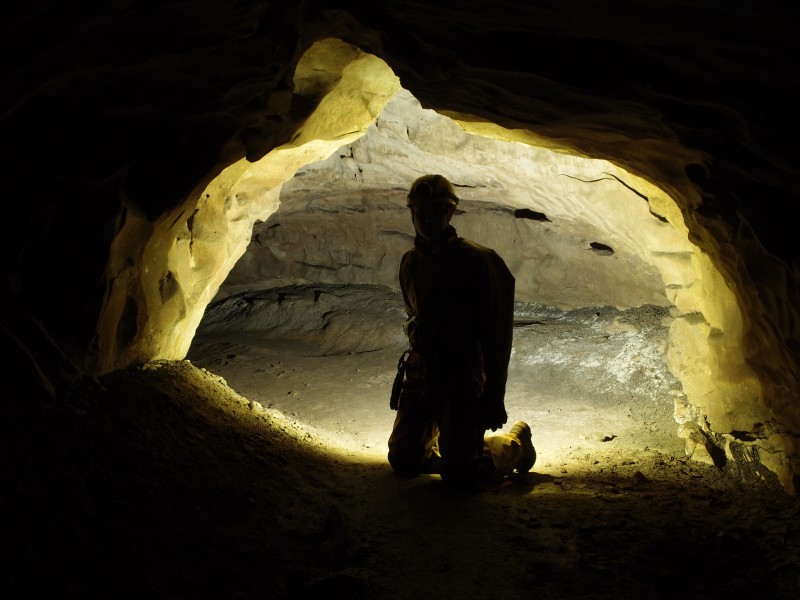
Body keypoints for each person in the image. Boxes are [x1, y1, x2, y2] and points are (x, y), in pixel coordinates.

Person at [388, 174, 536, 490]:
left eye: (437, 211)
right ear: (412, 213)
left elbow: (498, 336)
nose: (428, 218)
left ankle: (515, 444)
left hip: (461, 378)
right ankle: (457, 443)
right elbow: (415, 319)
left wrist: (494, 395)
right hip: (423, 375)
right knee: (404, 460)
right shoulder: (409, 263)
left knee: (460, 476)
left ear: (451, 213)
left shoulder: (479, 261)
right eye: (421, 211)